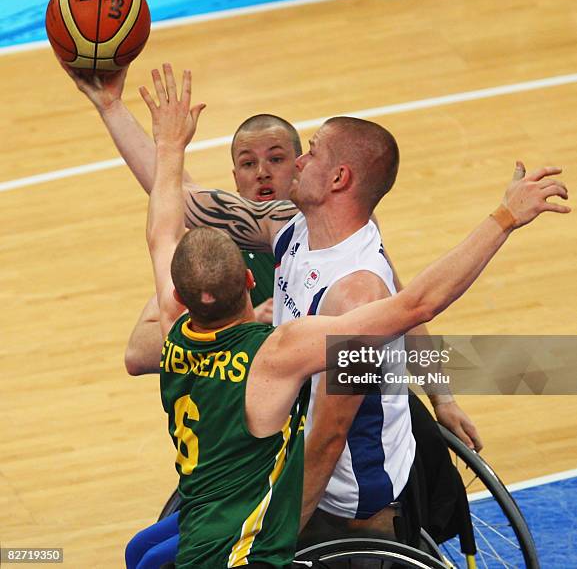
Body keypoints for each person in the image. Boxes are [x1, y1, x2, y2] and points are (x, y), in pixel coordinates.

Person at [133, 65, 568, 568]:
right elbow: (179, 209)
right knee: (143, 552)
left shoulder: (355, 297)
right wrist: (113, 108)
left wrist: (271, 541)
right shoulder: (292, 231)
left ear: (339, 178)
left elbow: (329, 437)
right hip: (285, 458)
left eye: (311, 151)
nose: (298, 159)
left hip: (337, 500)